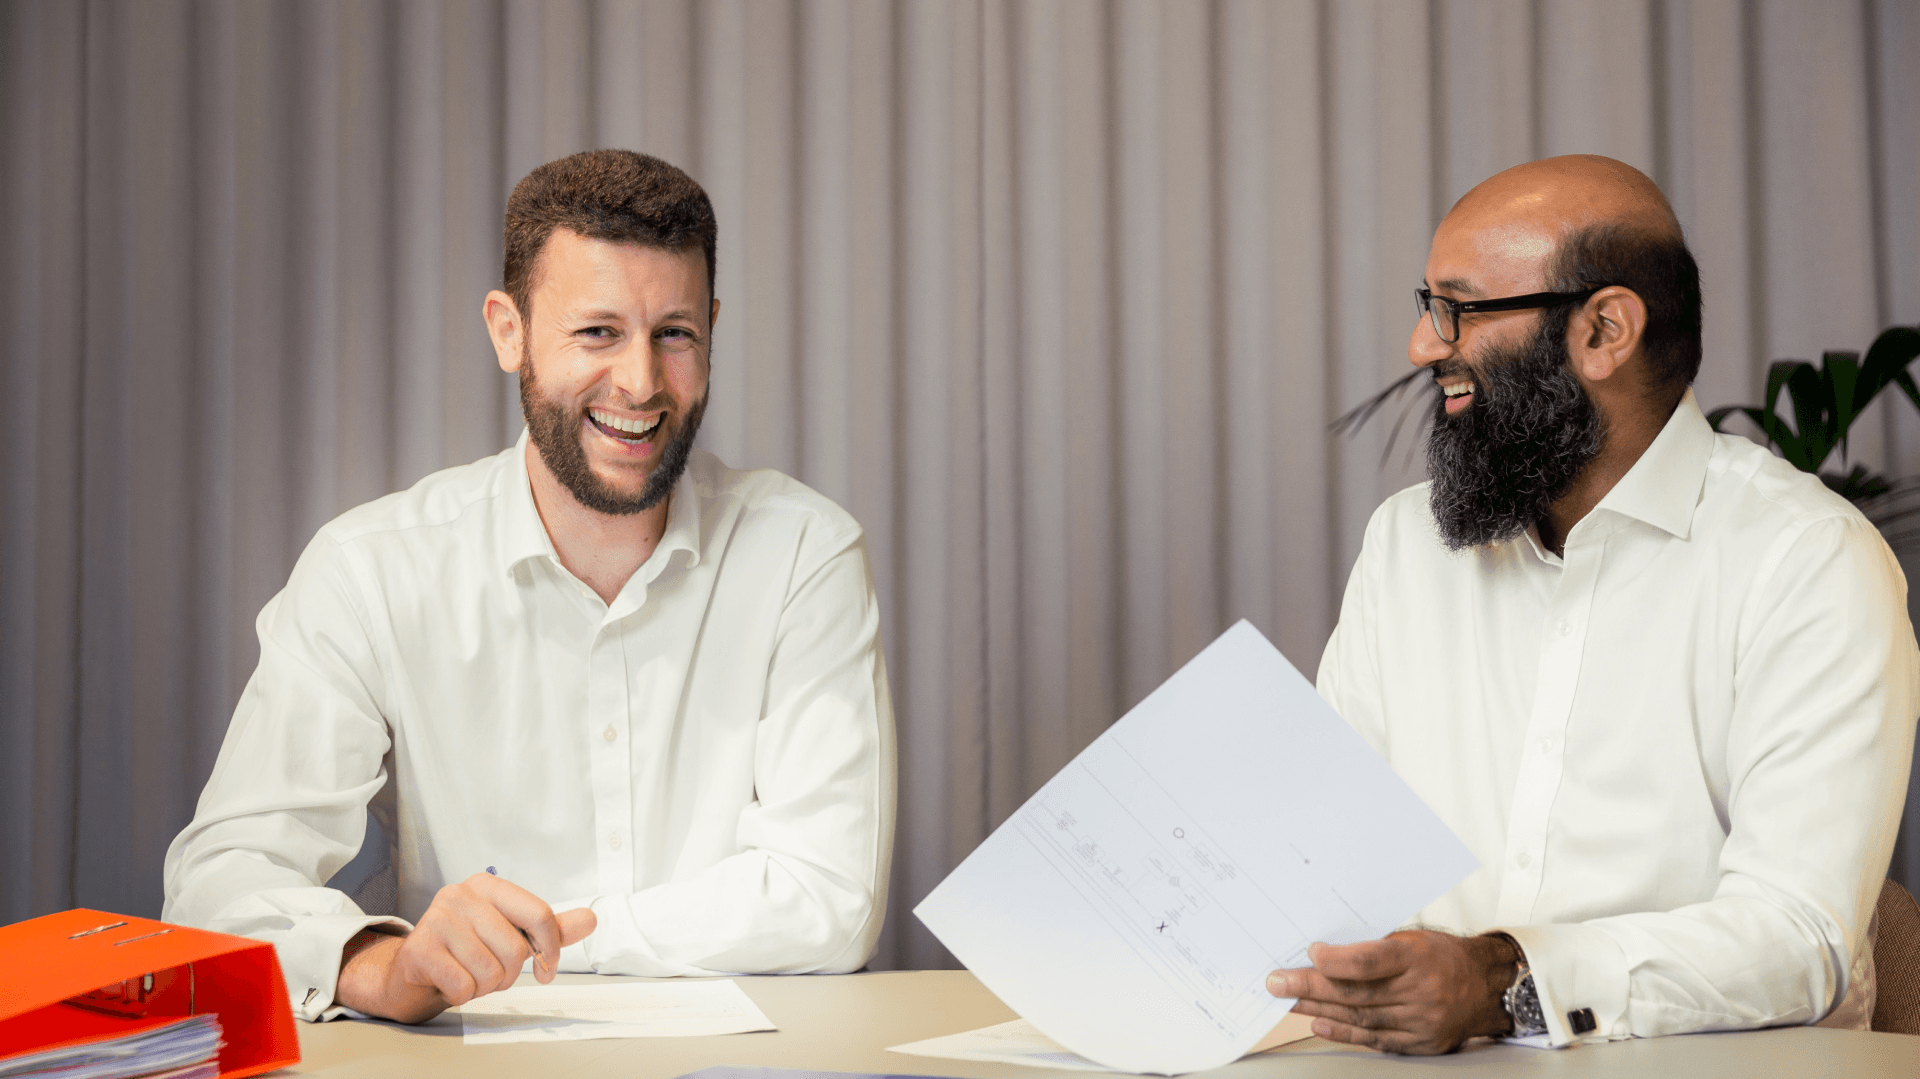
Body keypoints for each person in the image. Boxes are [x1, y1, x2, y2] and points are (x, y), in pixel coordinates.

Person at [163, 150, 896, 1024]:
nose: (640, 383)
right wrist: (379, 963)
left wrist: (543, 942)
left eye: (674, 333)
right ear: (508, 331)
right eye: (598, 332)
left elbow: (831, 900)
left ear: (712, 329)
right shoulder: (371, 570)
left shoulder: (805, 553)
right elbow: (218, 883)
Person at [1267, 154, 1919, 1053]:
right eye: (1428, 306)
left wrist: (1504, 981)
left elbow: (1801, 937)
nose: (1423, 346)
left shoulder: (1808, 560)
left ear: (1604, 330)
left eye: (1458, 308)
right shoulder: (1404, 545)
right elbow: (1328, 854)